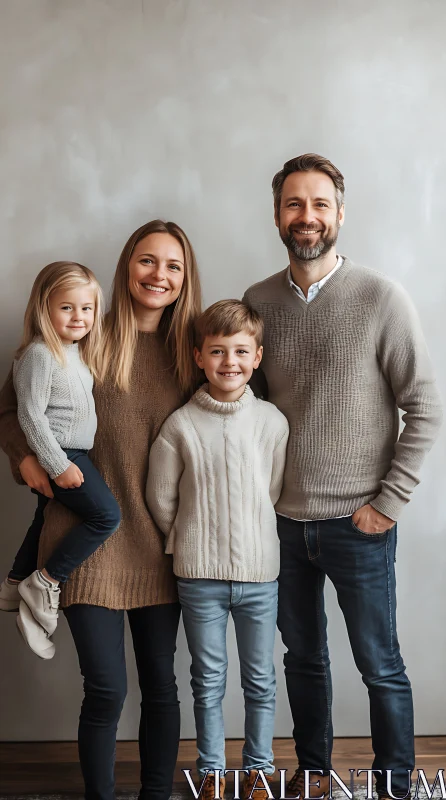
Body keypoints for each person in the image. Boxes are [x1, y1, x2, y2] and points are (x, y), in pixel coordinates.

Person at [243, 154, 443, 800]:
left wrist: (390, 501)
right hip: (282, 523)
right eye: (294, 204)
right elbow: (247, 408)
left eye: (320, 204)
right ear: (278, 215)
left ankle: (394, 785)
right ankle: (314, 773)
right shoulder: (258, 302)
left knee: (379, 664)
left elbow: (426, 406)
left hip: (360, 523)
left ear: (340, 214)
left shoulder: (381, 298)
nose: (307, 216)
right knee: (302, 659)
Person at [0, 220, 202, 800]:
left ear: (185, 278)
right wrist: (26, 459)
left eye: (173, 266)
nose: (158, 275)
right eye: (147, 260)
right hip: (84, 544)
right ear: (125, 266)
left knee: (162, 687)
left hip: (161, 548)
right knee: (107, 690)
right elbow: (10, 409)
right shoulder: (85, 327)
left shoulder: (193, 351)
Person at [146, 300, 289, 800]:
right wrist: (192, 535)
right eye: (218, 351)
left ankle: (258, 771)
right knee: (207, 680)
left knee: (260, 680)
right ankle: (211, 772)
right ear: (199, 357)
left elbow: (271, 490)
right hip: (199, 578)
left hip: (259, 575)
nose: (230, 361)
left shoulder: (272, 422)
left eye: (241, 351)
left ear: (257, 357)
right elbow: (161, 498)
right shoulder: (180, 426)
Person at [0, 261, 121, 660]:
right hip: (63, 454)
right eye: (66, 307)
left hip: (73, 452)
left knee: (43, 519)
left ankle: (14, 585)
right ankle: (46, 581)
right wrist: (57, 465)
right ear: (44, 308)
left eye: (87, 308)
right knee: (106, 516)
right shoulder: (39, 354)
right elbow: (30, 416)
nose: (78, 317)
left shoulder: (77, 353)